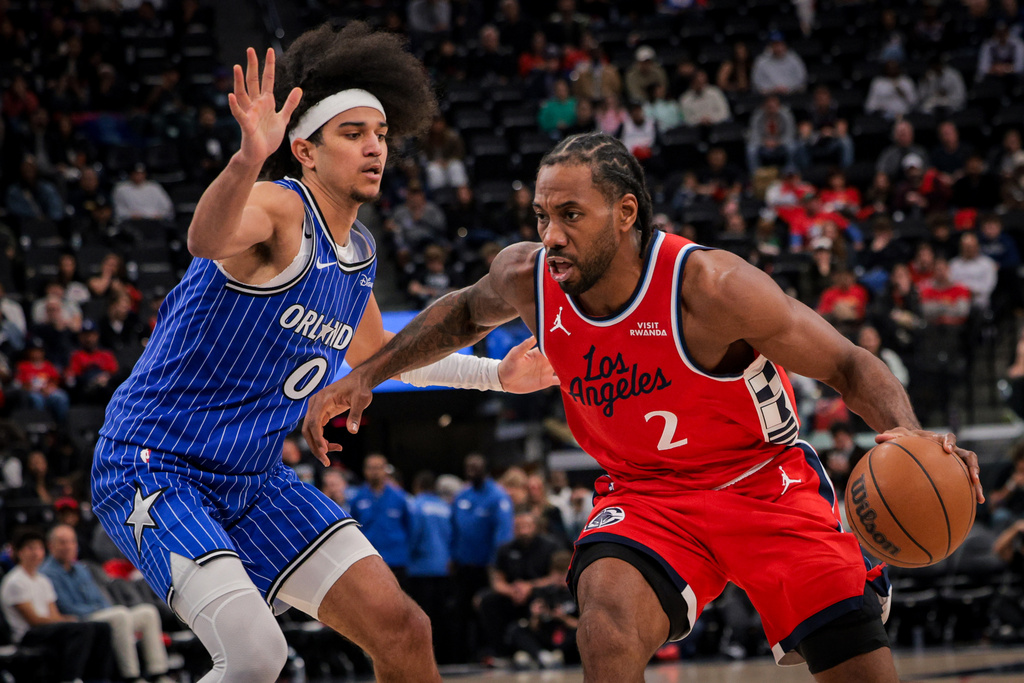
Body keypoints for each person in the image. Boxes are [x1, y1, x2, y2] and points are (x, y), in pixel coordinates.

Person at [305, 131, 984, 682]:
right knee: (604, 620)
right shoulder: (530, 277)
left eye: (570, 214)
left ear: (626, 212)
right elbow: (459, 314)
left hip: (762, 484)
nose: (551, 235)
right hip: (647, 495)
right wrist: (370, 372)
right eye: (543, 215)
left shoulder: (713, 288)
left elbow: (848, 363)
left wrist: (915, 440)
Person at [90, 24, 555, 683]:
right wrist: (249, 157)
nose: (375, 147)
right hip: (155, 463)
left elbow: (386, 359)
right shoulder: (278, 208)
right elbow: (204, 236)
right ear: (304, 149)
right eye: (353, 132)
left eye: (382, 133)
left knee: (403, 629)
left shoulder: (360, 254)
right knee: (256, 655)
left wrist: (497, 375)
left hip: (251, 477)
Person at [41, 524, 174, 683]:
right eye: (62, 542)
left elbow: (100, 597)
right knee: (120, 615)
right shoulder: (47, 573)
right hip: (80, 620)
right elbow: (66, 606)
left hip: (101, 613)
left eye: (71, 541)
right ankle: (132, 676)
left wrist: (104, 608)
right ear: (51, 545)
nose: (68, 546)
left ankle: (158, 673)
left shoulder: (82, 568)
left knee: (148, 612)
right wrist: (101, 609)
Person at [0, 529, 114, 683]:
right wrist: (66, 621)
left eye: (39, 548)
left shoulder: (43, 579)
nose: (36, 553)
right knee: (80, 628)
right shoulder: (15, 581)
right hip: (27, 634)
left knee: (100, 627)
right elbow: (34, 620)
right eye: (30, 548)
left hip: (46, 629)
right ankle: (70, 678)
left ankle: (99, 678)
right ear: (19, 552)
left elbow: (53, 613)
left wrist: (67, 619)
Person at [349, 453, 414, 583]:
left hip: (395, 559)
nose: (375, 472)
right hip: (368, 560)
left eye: (378, 468)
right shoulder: (357, 498)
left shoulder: (399, 498)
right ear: (365, 471)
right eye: (371, 468)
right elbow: (352, 529)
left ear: (385, 470)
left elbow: (410, 527)